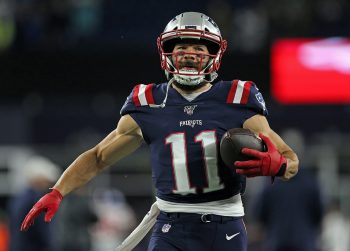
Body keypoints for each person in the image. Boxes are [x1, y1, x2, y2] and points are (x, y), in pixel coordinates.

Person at [20, 12, 299, 251]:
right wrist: (58, 191)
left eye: (199, 50)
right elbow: (98, 157)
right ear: (167, 53)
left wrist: (280, 164)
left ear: (215, 55)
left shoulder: (237, 98)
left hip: (225, 226)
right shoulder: (148, 101)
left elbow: (291, 160)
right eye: (182, 49)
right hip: (171, 226)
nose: (190, 56)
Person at [9, 155, 60, 251]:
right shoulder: (36, 201)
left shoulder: (19, 198)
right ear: (38, 180)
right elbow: (44, 234)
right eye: (46, 181)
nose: (48, 185)